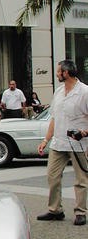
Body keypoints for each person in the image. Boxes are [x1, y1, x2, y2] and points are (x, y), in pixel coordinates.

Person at [37, 60, 88, 226]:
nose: (57, 74)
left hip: (78, 143)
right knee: (52, 176)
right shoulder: (58, 92)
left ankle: (80, 212)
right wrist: (46, 140)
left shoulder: (85, 92)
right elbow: (54, 118)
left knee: (81, 180)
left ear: (66, 73)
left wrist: (84, 132)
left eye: (59, 71)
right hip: (58, 142)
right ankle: (55, 210)